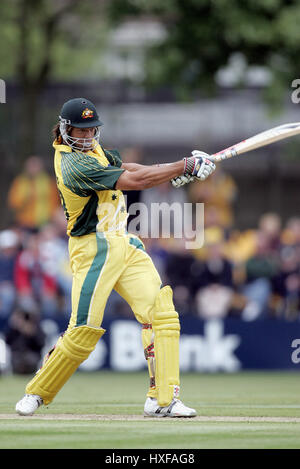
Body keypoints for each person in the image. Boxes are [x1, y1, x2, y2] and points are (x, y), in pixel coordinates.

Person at [15, 97, 216, 417]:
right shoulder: (72, 164)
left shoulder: (93, 150)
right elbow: (133, 181)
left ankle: (163, 399)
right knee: (83, 331)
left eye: (91, 129)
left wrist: (177, 169)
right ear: (64, 129)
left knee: (161, 313)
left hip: (124, 243)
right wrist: (183, 167)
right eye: (80, 131)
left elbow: (127, 168)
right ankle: (37, 392)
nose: (87, 136)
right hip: (93, 248)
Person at [7, 156, 60, 232]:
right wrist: (26, 197)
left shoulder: (49, 182)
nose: (33, 169)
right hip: (24, 222)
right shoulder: (19, 182)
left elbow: (55, 203)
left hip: (45, 222)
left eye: (36, 166)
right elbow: (13, 203)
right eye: (31, 166)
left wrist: (51, 219)